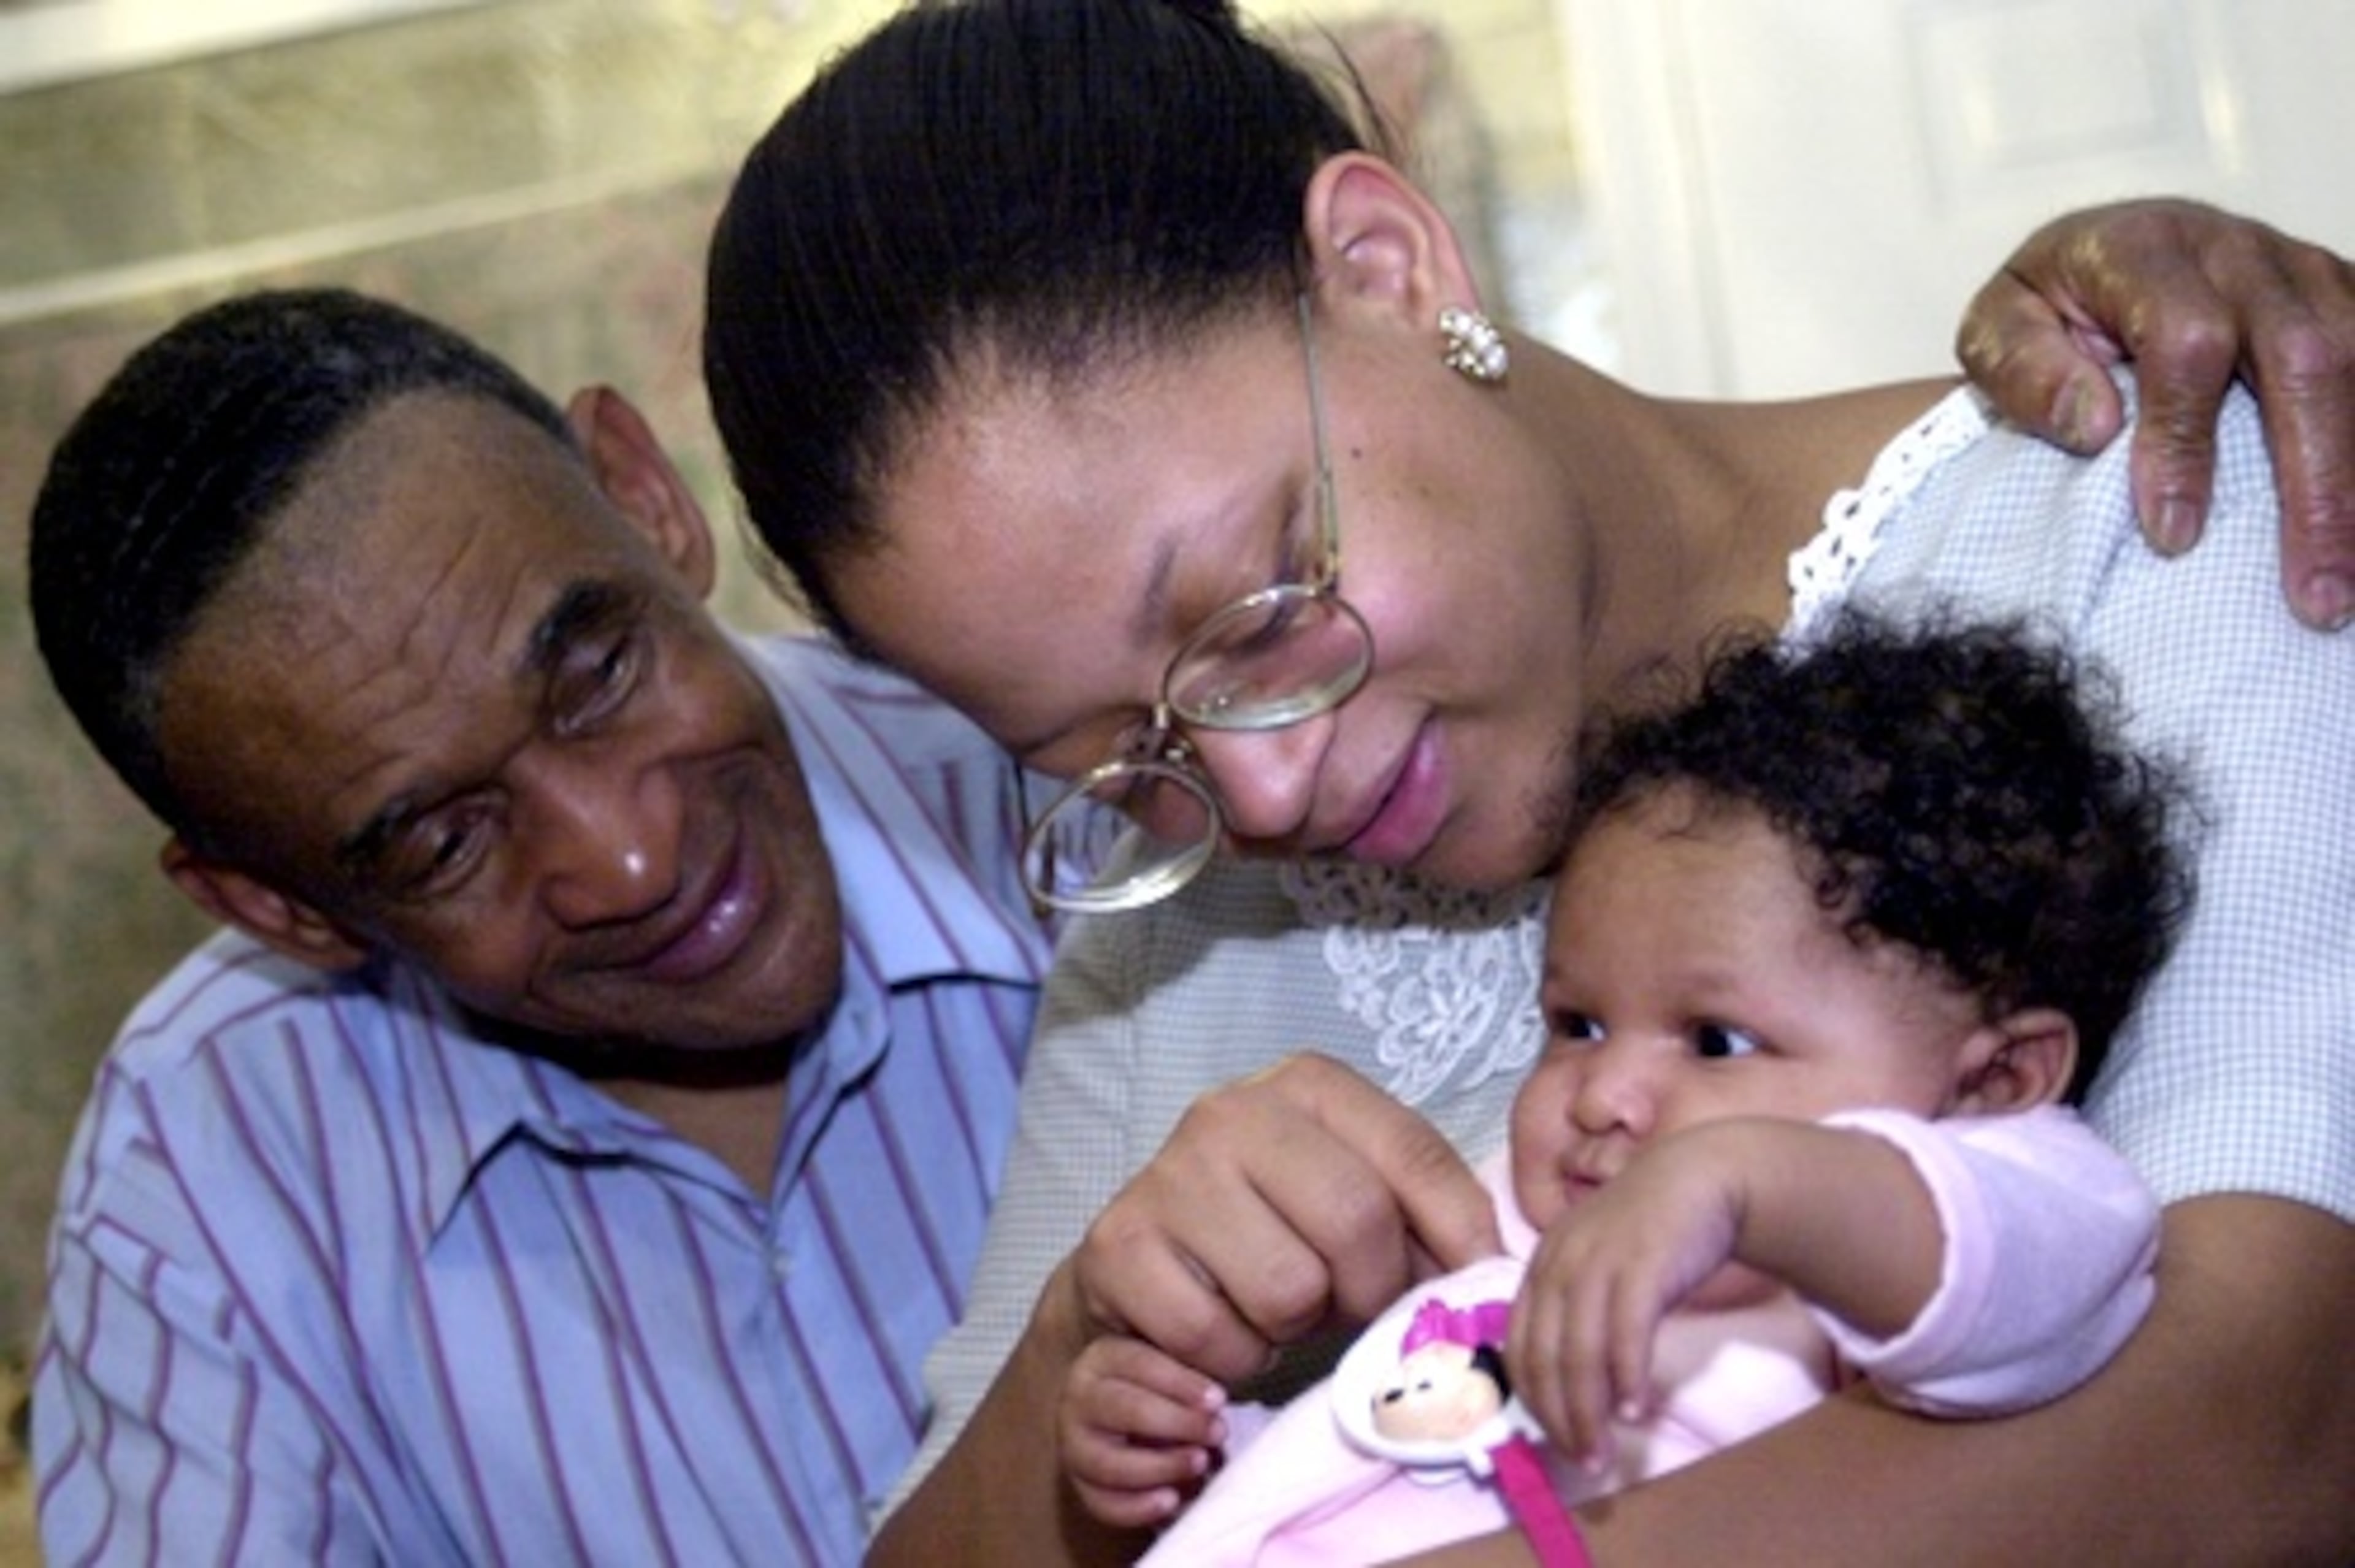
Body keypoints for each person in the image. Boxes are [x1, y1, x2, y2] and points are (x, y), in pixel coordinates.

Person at [696, 2, 2355, 1562]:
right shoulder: (1179, 942)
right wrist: (1089, 1339)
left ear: (1388, 265)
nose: (1258, 796)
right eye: (1126, 760)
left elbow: (2268, 1425)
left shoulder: (2151, 522)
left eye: (1254, 608)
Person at [24, 288, 1069, 1567]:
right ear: (278, 907)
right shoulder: (208, 1156)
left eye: (600, 674)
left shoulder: (1068, 784)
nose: (627, 858)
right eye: (446, 844)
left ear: (644, 493)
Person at [1062, 615, 2181, 1564]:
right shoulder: (1516, 1231)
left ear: (1995, 1082)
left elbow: (2008, 1265)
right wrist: (1207, 1448)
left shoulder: (1974, 1232)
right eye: (1578, 1025)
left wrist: (1741, 1186)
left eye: (1717, 1042)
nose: (1606, 1092)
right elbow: (1402, 1454)